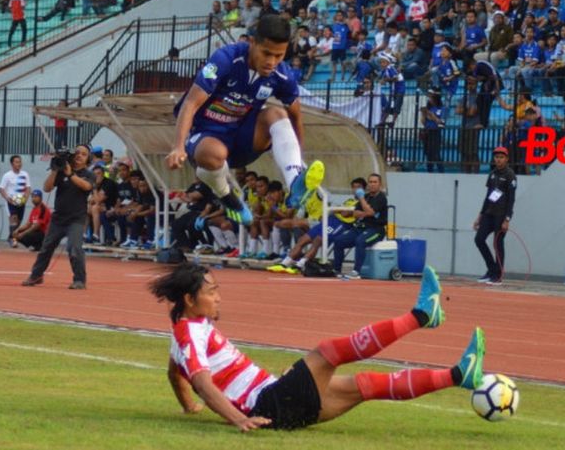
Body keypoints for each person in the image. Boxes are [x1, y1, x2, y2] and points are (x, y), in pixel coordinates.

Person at [150, 262, 485, 431]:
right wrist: (239, 419)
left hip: (276, 402)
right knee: (328, 352)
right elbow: (202, 382)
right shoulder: (188, 333)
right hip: (269, 404)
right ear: (190, 299)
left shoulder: (188, 329)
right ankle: (422, 315)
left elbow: (174, 373)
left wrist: (188, 406)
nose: (218, 296)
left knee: (365, 385)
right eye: (212, 292)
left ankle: (459, 376)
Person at [167, 15, 325, 227]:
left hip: (245, 139)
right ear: (252, 43)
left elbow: (296, 115)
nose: (271, 62)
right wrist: (178, 147)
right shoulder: (226, 59)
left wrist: (297, 160)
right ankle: (228, 198)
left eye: (279, 55)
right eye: (266, 53)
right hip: (208, 136)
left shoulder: (282, 75)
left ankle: (295, 182)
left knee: (276, 113)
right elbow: (191, 104)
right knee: (213, 154)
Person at [21, 145, 95, 290]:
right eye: (77, 153)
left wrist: (70, 175)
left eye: (84, 154)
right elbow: (47, 188)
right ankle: (36, 275)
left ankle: (79, 280)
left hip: (76, 219)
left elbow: (86, 187)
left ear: (88, 159)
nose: (79, 156)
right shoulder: (62, 172)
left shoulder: (88, 174)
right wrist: (55, 170)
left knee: (74, 247)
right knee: (46, 247)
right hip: (58, 219)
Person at [473, 146, 517, 286]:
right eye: (496, 157)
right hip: (488, 214)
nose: (498, 160)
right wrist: (480, 216)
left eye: (501, 157)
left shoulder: (510, 175)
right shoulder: (492, 174)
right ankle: (491, 270)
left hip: (501, 215)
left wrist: (507, 219)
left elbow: (511, 199)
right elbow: (488, 197)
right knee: (479, 239)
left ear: (507, 159)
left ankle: (498, 275)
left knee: (497, 243)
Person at [332, 173, 388, 279]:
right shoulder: (367, 197)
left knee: (360, 241)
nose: (372, 184)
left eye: (375, 182)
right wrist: (365, 211)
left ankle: (356, 272)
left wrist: (361, 199)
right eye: (370, 182)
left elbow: (370, 212)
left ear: (380, 184)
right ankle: (337, 270)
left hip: (376, 230)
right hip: (360, 228)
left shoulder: (381, 198)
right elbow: (355, 213)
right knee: (339, 241)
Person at [0, 155, 31, 244]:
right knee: (14, 219)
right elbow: (1, 189)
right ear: (12, 163)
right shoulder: (7, 175)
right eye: (16, 162)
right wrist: (8, 198)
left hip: (21, 201)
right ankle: (13, 240)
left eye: (20, 162)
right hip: (11, 201)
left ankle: (10, 237)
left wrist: (26, 198)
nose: (19, 164)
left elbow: (28, 188)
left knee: (19, 222)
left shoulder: (25, 174)